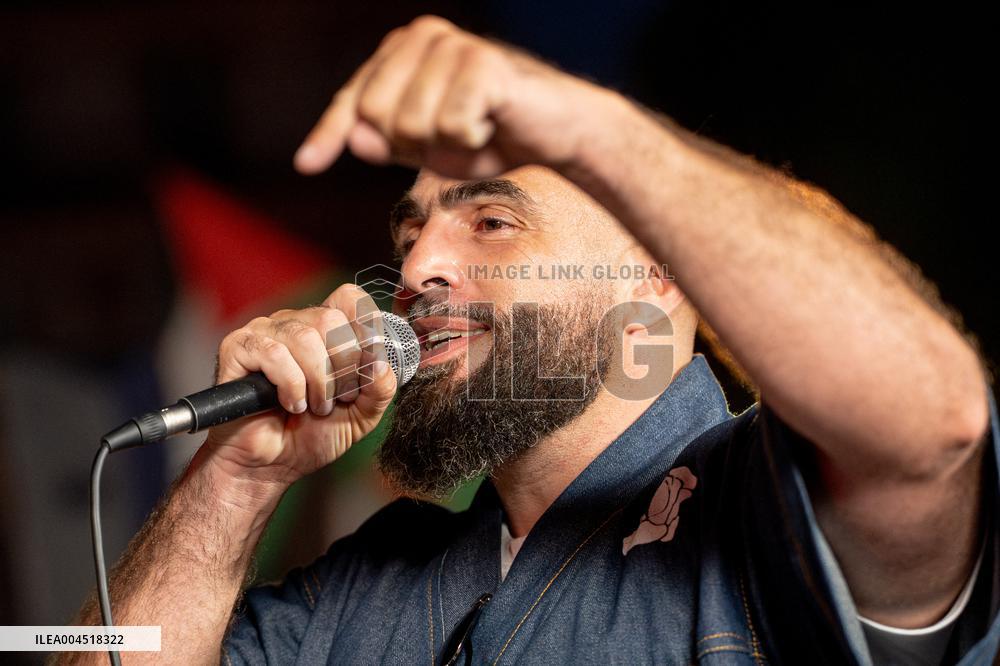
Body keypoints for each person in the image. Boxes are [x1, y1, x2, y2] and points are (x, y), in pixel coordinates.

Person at [66, 16, 997, 665]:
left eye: (493, 223)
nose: (418, 263)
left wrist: (592, 127)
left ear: (662, 269)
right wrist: (232, 485)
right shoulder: (370, 582)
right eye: (411, 231)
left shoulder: (767, 512)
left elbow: (940, 427)